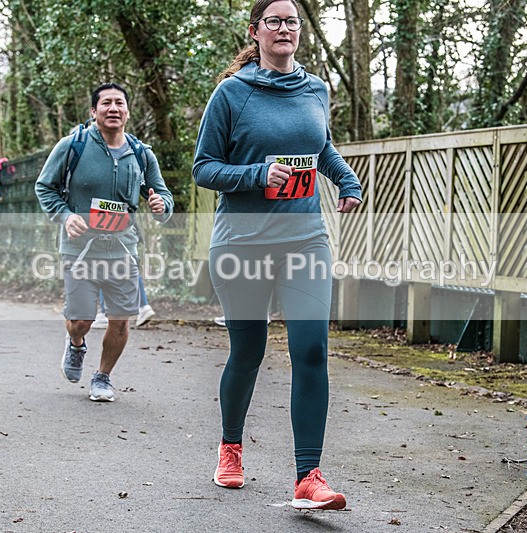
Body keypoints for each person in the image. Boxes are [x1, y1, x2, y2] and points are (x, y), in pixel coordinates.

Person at [193, 0, 362, 510]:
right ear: (256, 31)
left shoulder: (316, 89)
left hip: (305, 238)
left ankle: (308, 476)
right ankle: (230, 447)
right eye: (275, 21)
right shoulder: (232, 93)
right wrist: (255, 175)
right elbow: (204, 168)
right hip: (242, 242)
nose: (285, 28)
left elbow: (320, 147)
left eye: (293, 21)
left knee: (311, 349)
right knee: (248, 351)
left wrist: (346, 179)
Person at [36, 82, 173, 402]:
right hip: (80, 248)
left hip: (123, 248)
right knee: (81, 320)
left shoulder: (141, 154)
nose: (113, 108)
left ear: (127, 111)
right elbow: (45, 188)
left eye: (119, 103)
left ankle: (103, 377)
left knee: (120, 319)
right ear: (93, 111)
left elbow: (163, 195)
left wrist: (161, 206)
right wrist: (66, 216)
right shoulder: (72, 146)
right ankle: (76, 344)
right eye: (106, 103)